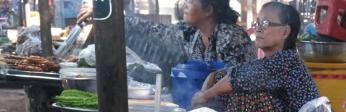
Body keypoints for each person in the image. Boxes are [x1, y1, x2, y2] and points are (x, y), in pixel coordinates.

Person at [191, 2, 320, 112]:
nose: (258, 29)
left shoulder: (287, 60)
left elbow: (237, 79)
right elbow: (226, 75)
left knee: (247, 93)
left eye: (265, 23)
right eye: (257, 23)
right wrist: (210, 80)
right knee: (223, 82)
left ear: (285, 32)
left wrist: (205, 96)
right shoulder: (272, 62)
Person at [78, 0, 255, 74]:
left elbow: (237, 79)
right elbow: (151, 30)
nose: (185, 5)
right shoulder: (191, 33)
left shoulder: (230, 35)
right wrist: (110, 16)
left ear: (208, 11)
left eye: (191, 1)